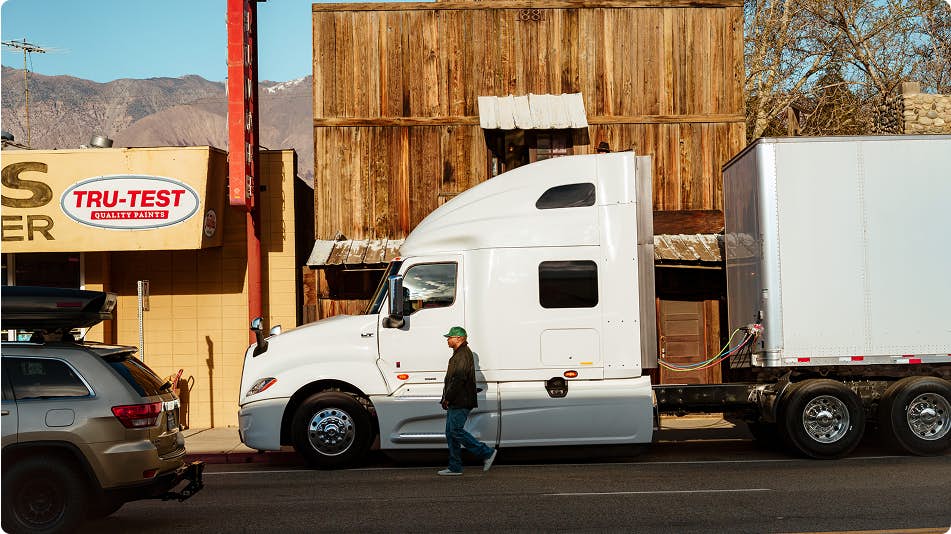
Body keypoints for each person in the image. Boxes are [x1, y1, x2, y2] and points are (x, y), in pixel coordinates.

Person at [438, 326, 497, 476]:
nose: (448, 339)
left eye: (450, 337)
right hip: (456, 400)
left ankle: (487, 452)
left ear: (459, 339)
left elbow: (458, 379)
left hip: (460, 400)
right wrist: (446, 398)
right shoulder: (459, 353)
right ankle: (455, 466)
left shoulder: (462, 355)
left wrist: (448, 398)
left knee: (455, 431)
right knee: (451, 433)